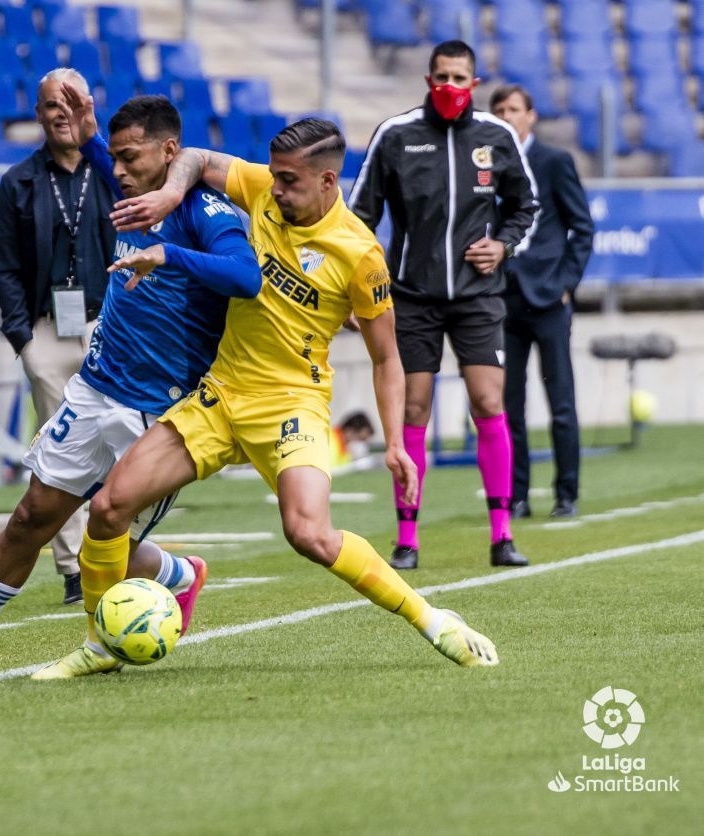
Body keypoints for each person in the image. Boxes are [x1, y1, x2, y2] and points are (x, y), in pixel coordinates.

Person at [35, 117, 500, 679]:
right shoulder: (260, 187)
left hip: (291, 406)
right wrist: (173, 191)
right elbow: (199, 157)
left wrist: (397, 443)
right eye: (274, 178)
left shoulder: (360, 255)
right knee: (108, 509)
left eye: (290, 182)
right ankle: (100, 643)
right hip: (220, 395)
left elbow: (386, 358)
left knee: (308, 533)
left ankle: (433, 620)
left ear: (328, 181)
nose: (275, 190)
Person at [0, 91, 261, 684]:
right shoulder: (131, 186)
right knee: (31, 518)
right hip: (94, 389)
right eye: (118, 159)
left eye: (133, 159)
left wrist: (167, 254)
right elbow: (107, 158)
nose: (121, 172)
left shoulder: (208, 214)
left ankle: (162, 590)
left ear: (171, 152)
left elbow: (245, 277)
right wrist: (87, 133)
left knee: (102, 537)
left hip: (158, 413)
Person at [348, 40, 539, 570]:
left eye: (460, 79)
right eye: (442, 78)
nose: (450, 87)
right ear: (428, 80)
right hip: (411, 296)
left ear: (473, 85)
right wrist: (355, 286)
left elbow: (526, 206)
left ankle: (502, 536)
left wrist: (503, 243)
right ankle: (407, 539)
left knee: (487, 402)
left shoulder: (496, 136)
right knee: (413, 409)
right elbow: (358, 217)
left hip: (478, 297)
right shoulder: (395, 135)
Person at [0, 68, 114, 604]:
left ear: (88, 107)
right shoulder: (18, 181)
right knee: (61, 454)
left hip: (109, 324)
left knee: (118, 445)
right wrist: (24, 341)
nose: (61, 112)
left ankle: (115, 552)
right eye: (50, 104)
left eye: (72, 102)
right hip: (48, 332)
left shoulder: (112, 173)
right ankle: (72, 569)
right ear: (37, 114)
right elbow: (4, 267)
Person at [490, 84, 594, 519]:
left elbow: (582, 227)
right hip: (504, 301)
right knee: (509, 404)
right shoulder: (485, 164)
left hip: (550, 299)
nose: (507, 116)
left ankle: (566, 493)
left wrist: (568, 283)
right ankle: (517, 496)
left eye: (513, 109)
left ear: (531, 116)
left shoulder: (554, 162)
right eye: (499, 110)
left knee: (561, 401)